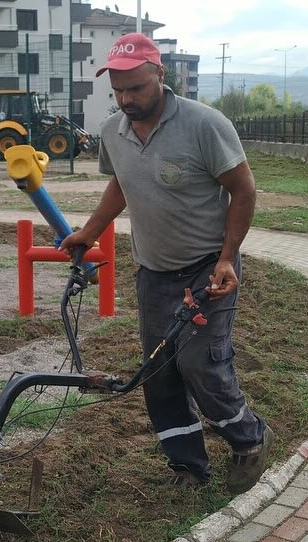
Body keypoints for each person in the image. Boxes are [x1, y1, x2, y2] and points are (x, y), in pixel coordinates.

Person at [59, 33, 273, 494]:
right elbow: (121, 183)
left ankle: (249, 438)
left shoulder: (203, 124)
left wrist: (227, 258)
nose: (125, 99)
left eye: (135, 87)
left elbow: (244, 189)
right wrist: (90, 232)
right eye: (117, 90)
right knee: (160, 374)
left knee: (200, 362)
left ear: (160, 75)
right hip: (153, 273)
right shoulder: (113, 131)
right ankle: (188, 467)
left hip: (206, 269)